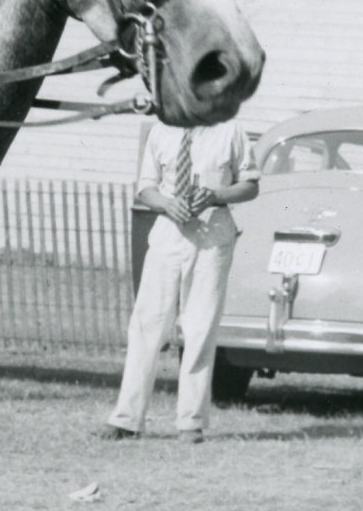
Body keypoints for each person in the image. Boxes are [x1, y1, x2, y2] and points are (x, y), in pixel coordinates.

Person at [102, 119, 259, 442]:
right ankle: (127, 419)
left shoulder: (230, 131)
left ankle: (191, 422)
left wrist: (215, 195)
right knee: (147, 322)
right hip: (167, 232)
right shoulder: (162, 131)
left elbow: (251, 185)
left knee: (200, 327)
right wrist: (166, 203)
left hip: (213, 233)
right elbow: (146, 187)